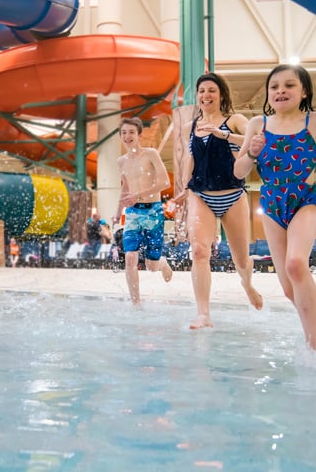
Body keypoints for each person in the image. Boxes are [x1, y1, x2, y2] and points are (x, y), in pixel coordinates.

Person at [233, 64, 316, 356]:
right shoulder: (258, 124)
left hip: (304, 200)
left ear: (304, 91)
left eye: (289, 85)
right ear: (268, 93)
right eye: (274, 86)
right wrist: (252, 153)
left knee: (295, 265)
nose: (281, 90)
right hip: (271, 204)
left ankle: (312, 346)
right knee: (288, 288)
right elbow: (239, 172)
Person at [173, 73, 263, 329]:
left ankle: (247, 284)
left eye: (211, 90)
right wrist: (184, 186)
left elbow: (254, 142)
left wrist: (223, 135)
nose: (205, 95)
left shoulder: (235, 120)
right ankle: (203, 314)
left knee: (241, 260)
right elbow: (191, 157)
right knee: (199, 251)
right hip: (200, 194)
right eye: (202, 91)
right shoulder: (193, 125)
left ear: (220, 94)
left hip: (232, 195)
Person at [113, 117, 174, 305]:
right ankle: (136, 304)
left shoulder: (150, 154)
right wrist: (118, 211)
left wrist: (137, 195)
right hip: (132, 213)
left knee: (151, 265)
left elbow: (165, 183)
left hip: (153, 212)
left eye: (131, 132)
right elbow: (125, 188)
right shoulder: (121, 161)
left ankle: (161, 263)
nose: (127, 136)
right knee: (130, 257)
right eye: (123, 133)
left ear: (139, 135)